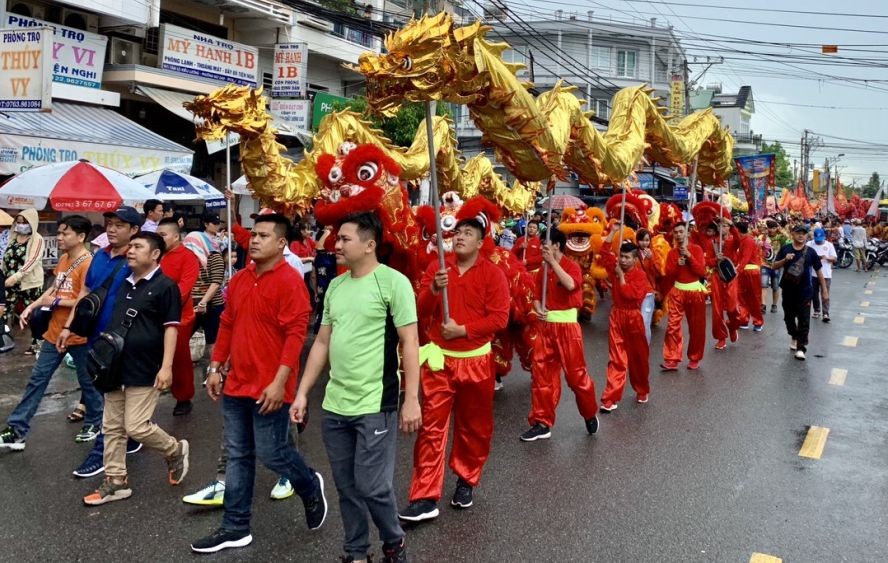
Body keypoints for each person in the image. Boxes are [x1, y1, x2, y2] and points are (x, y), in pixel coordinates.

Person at [191, 214, 327, 554]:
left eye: (264, 236)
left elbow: (297, 336)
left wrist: (281, 382)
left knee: (273, 453)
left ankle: (309, 485)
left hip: (271, 387)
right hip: (237, 384)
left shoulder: (290, 282)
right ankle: (236, 527)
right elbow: (226, 325)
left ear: (281, 243)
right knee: (238, 456)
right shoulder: (239, 280)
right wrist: (215, 366)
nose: (254, 240)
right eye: (253, 235)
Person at [292, 212, 421, 563]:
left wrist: (412, 400)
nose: (336, 245)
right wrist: (303, 392)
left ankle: (393, 543)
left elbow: (410, 343)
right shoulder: (335, 286)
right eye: (337, 239)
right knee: (347, 487)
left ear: (369, 244)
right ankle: (356, 552)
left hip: (375, 403)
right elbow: (321, 343)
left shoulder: (394, 283)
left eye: (345, 239)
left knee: (371, 485)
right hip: (336, 405)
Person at [398, 214, 509, 522]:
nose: (460, 236)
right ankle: (424, 496)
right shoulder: (438, 267)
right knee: (432, 427)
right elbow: (419, 311)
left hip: (476, 362)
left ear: (480, 240)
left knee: (474, 426)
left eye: (468, 232)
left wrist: (463, 330)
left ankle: (466, 478)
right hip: (438, 361)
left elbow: (499, 319)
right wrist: (433, 289)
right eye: (457, 231)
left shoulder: (493, 274)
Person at [81, 232, 190, 505]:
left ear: (155, 254)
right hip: (114, 367)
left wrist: (166, 367)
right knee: (112, 427)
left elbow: (171, 329)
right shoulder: (126, 284)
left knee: (137, 427)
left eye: (138, 247)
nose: (131, 251)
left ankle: (174, 450)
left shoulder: (166, 287)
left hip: (145, 367)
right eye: (131, 246)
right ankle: (116, 482)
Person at [0, 216, 102, 450]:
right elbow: (54, 290)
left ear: (81, 237)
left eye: (65, 233)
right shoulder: (65, 259)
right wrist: (31, 307)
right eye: (59, 232)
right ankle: (17, 430)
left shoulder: (89, 264)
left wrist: (57, 301)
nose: (59, 237)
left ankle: (95, 422)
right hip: (54, 332)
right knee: (37, 380)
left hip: (78, 333)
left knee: (88, 383)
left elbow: (84, 299)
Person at [59, 206, 143, 478]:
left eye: (120, 225)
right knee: (113, 396)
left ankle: (101, 455)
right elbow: (85, 292)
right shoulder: (99, 257)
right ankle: (129, 438)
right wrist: (69, 326)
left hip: (125, 341)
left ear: (134, 230)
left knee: (113, 399)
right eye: (110, 223)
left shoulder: (139, 260)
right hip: (97, 339)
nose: (112, 228)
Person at [520, 228, 600, 440]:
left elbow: (571, 285)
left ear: (556, 245)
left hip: (567, 330)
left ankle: (589, 412)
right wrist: (538, 308)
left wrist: (553, 263)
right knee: (541, 376)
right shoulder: (542, 272)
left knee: (576, 377)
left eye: (545, 244)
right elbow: (536, 296)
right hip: (545, 329)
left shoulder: (571, 266)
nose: (541, 249)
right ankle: (541, 422)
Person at [599, 240, 653, 411]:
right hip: (616, 316)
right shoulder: (615, 268)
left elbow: (629, 294)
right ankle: (610, 397)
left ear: (634, 259)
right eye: (621, 256)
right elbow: (604, 251)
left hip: (633, 317)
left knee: (638, 358)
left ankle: (642, 389)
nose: (622, 260)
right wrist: (614, 231)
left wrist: (620, 276)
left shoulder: (640, 276)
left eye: (627, 257)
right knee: (616, 358)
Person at [156, 218, 200, 416]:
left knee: (180, 357)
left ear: (176, 236)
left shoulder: (187, 257)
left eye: (163, 235)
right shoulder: (156, 255)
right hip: (152, 313)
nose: (159, 238)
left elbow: (185, 287)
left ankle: (183, 397)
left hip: (180, 315)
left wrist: (165, 303)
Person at [771, 224, 828, 361]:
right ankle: (794, 335)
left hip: (805, 291)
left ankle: (801, 348)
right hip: (788, 291)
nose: (801, 235)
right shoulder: (786, 249)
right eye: (798, 233)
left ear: (807, 235)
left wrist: (824, 291)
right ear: (792, 234)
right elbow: (774, 265)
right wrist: (785, 259)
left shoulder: (811, 252)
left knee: (804, 319)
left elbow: (819, 271)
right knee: (789, 318)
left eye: (804, 233)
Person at [661, 222, 707, 371]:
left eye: (681, 232)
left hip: (695, 292)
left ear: (687, 233)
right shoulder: (672, 253)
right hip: (677, 292)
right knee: (672, 325)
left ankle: (694, 357)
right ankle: (672, 358)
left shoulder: (696, 249)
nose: (679, 235)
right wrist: (678, 264)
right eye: (676, 232)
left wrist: (689, 257)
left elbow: (701, 272)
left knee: (696, 327)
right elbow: (668, 274)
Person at [2, 208, 45, 353]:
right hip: (9, 282)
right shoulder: (13, 236)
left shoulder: (37, 239)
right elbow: (6, 255)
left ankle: (36, 343)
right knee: (4, 310)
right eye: (18, 222)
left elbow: (33, 260)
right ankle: (3, 338)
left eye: (24, 222)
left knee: (33, 315)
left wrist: (17, 276)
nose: (21, 225)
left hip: (29, 284)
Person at [184, 231, 225, 362]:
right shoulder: (189, 258)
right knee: (183, 337)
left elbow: (216, 282)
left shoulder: (214, 257)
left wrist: (203, 302)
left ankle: (213, 372)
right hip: (192, 304)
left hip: (213, 305)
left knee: (212, 341)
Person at [734, 221, 765, 331]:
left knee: (754, 298)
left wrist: (737, 270)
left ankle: (758, 321)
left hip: (750, 272)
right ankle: (744, 319)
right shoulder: (742, 240)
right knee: (742, 297)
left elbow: (745, 258)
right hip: (743, 272)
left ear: (738, 230)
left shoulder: (748, 241)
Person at [807, 227, 837, 323]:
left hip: (826, 274)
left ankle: (826, 313)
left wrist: (827, 258)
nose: (818, 242)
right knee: (814, 293)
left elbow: (835, 258)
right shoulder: (809, 244)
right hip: (813, 274)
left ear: (824, 237)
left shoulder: (829, 245)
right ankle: (817, 310)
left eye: (820, 240)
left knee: (825, 293)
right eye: (817, 240)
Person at [761, 220, 789, 313]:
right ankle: (763, 305)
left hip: (776, 265)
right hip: (765, 264)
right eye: (770, 228)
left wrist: (780, 229)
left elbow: (788, 238)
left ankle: (774, 305)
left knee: (775, 286)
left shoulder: (780, 237)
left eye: (773, 228)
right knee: (763, 285)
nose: (772, 230)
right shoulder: (763, 237)